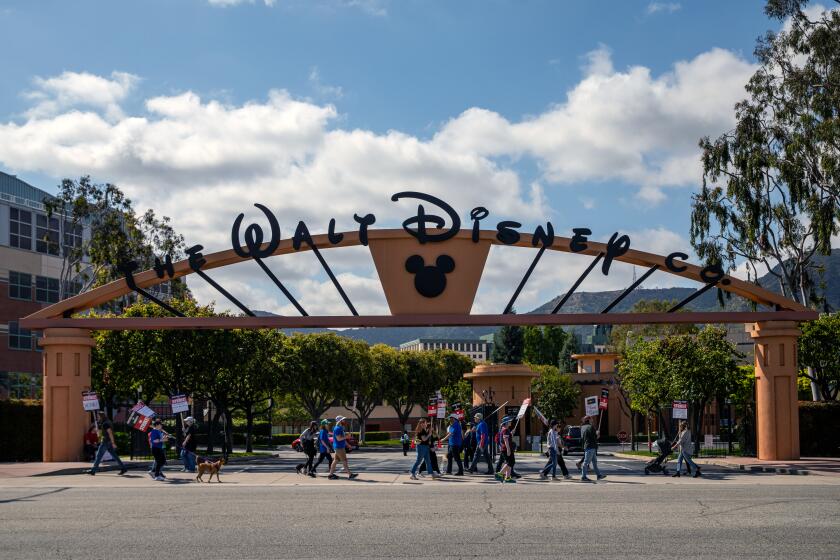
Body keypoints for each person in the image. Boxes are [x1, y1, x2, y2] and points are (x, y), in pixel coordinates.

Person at [88, 411, 127, 476]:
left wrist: (113, 443)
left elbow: (110, 433)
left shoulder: (105, 424)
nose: (97, 418)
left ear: (101, 416)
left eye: (98, 416)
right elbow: (105, 432)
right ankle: (123, 468)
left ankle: (93, 470)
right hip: (108, 442)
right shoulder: (107, 422)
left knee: (99, 456)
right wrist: (99, 433)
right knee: (115, 456)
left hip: (106, 442)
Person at [579, 416, 605, 482]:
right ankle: (583, 477)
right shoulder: (591, 427)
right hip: (591, 446)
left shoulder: (583, 427)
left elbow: (583, 438)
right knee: (586, 463)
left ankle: (599, 475)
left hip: (588, 446)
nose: (592, 420)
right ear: (589, 420)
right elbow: (595, 437)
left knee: (594, 462)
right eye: (591, 419)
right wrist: (597, 434)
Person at [496, 416, 515, 483]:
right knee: (511, 462)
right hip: (506, 449)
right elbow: (506, 440)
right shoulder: (505, 430)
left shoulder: (504, 429)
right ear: (506, 422)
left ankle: (507, 478)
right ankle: (500, 474)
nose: (510, 422)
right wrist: (508, 449)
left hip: (505, 449)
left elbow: (507, 438)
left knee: (510, 463)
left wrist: (511, 434)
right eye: (509, 421)